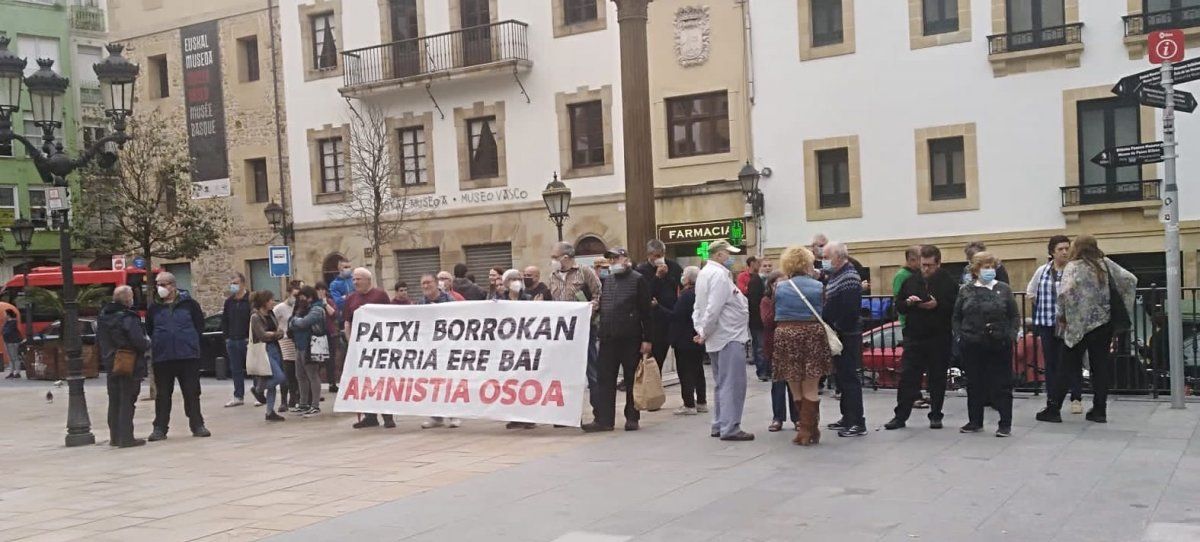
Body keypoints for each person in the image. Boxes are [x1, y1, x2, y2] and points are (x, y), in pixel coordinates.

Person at [1037, 235, 1136, 424]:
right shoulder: (1105, 264)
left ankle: (1053, 408)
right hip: (1103, 323)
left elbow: (1064, 294)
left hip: (1077, 325)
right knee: (1100, 368)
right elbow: (1130, 280)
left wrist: (1062, 317)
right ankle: (1099, 410)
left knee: (1066, 367)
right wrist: (1122, 306)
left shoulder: (1073, 267)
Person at [885, 245, 959, 431]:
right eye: (923, 265)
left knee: (937, 378)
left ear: (938, 263)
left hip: (938, 336)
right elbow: (898, 305)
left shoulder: (948, 281)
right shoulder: (911, 280)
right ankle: (900, 416)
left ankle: (936, 415)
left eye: (930, 265)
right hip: (915, 336)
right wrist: (909, 303)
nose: (926, 269)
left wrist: (937, 305)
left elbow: (955, 308)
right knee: (908, 377)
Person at [582, 247, 652, 433]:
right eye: (610, 259)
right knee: (605, 379)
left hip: (630, 338)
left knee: (631, 379)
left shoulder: (638, 280)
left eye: (616, 258)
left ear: (626, 259)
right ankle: (604, 420)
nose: (613, 262)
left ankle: (632, 417)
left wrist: (647, 339)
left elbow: (646, 311)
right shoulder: (608, 280)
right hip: (608, 338)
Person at [693, 240, 754, 442]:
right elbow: (713, 308)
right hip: (728, 335)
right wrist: (704, 331)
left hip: (719, 335)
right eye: (729, 254)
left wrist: (702, 330)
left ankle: (720, 423)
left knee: (722, 383)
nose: (732, 259)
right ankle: (730, 426)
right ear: (719, 255)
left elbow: (699, 308)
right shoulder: (718, 275)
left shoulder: (705, 274)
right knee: (733, 383)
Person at [954, 252, 1020, 437]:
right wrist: (961, 336)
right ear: (975, 270)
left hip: (999, 343)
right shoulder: (965, 290)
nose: (989, 270)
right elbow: (957, 316)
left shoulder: (1003, 289)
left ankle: (1005, 423)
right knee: (975, 383)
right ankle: (975, 421)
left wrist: (1011, 334)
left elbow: (1014, 315)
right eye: (985, 267)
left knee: (1002, 384)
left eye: (992, 266)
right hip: (973, 343)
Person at [772, 245, 830, 445]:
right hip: (812, 334)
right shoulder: (818, 286)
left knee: (794, 385)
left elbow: (774, 311)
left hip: (786, 335)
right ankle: (809, 430)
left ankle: (806, 431)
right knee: (811, 387)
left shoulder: (779, 287)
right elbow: (824, 309)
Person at [146, 272, 210, 441]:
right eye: (157, 284)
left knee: (191, 392)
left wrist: (189, 342)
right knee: (163, 394)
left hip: (187, 356)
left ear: (173, 286)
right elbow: (150, 329)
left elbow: (199, 326)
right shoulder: (154, 307)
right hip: (163, 357)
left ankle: (197, 424)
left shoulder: (189, 305)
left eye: (163, 284)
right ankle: (159, 428)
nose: (160, 288)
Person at [1026, 235, 1081, 413]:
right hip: (1047, 323)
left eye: (1067, 248)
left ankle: (1076, 397)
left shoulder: (1075, 270)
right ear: (1052, 252)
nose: (1065, 252)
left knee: (1071, 361)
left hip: (1069, 324)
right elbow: (1031, 292)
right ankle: (1052, 399)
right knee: (1051, 362)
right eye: (1060, 249)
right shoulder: (1042, 270)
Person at [344, 268, 399, 429]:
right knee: (365, 382)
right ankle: (370, 416)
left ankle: (388, 416)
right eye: (353, 279)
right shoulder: (351, 298)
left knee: (381, 381)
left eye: (358, 279)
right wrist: (351, 343)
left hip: (379, 347)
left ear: (368, 280)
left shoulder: (380, 295)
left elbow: (390, 318)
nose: (355, 282)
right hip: (360, 348)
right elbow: (347, 322)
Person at [822, 242, 867, 438]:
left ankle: (857, 421)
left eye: (826, 257)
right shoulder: (836, 274)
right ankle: (846, 416)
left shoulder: (849, 276)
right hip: (840, 330)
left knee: (849, 378)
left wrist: (837, 325)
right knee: (842, 378)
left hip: (846, 333)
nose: (824, 261)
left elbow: (849, 308)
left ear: (838, 257)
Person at [99, 286, 151, 447]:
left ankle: (115, 437)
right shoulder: (128, 317)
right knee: (127, 400)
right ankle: (127, 437)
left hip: (110, 362)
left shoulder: (103, 316)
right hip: (128, 361)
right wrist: (147, 343)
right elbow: (137, 340)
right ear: (128, 299)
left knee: (114, 400)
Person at [548, 242, 603, 390]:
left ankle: (599, 406)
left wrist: (592, 307)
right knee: (566, 369)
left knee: (592, 368)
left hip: (585, 329)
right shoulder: (553, 276)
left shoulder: (585, 272)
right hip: (563, 330)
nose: (552, 261)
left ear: (565, 257)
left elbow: (598, 293)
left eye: (555, 257)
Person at [416, 272, 462, 429]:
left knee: (449, 382)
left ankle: (454, 415)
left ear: (436, 284)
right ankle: (436, 417)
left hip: (448, 348)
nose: (426, 286)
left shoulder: (450, 301)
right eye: (423, 283)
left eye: (428, 282)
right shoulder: (421, 304)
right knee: (433, 383)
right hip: (430, 349)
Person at [660, 265, 707, 416]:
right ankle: (701, 402)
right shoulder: (700, 293)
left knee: (685, 371)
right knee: (698, 370)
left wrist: (658, 308)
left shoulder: (686, 295)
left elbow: (675, 315)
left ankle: (688, 404)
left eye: (683, 275)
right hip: (697, 336)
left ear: (687, 279)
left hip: (684, 339)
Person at [636, 239, 684, 375]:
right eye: (655, 256)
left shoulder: (674, 267)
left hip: (671, 316)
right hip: (654, 321)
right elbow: (645, 295)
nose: (658, 259)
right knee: (654, 361)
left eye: (661, 255)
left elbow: (679, 287)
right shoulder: (642, 270)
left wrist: (667, 276)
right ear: (649, 255)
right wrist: (657, 277)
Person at [761, 271, 798, 432]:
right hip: (775, 345)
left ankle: (797, 417)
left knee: (794, 383)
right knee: (778, 383)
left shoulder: (793, 299)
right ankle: (778, 418)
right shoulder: (766, 300)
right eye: (778, 284)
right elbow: (768, 321)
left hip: (791, 344)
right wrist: (777, 299)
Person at [289, 286, 327, 417]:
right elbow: (292, 322)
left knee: (312, 375)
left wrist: (295, 321)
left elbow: (304, 323)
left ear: (309, 297)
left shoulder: (316, 309)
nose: (300, 301)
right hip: (300, 345)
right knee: (300, 375)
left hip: (311, 345)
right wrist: (295, 321)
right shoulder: (303, 309)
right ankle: (303, 403)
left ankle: (315, 405)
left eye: (302, 298)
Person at [250, 290, 288, 422]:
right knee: (280, 377)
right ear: (265, 302)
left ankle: (269, 411)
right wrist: (275, 334)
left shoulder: (271, 314)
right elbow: (262, 335)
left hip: (275, 348)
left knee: (273, 381)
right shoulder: (255, 317)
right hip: (264, 350)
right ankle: (258, 389)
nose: (273, 302)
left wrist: (276, 334)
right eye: (271, 300)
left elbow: (278, 331)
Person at [221, 272, 252, 407]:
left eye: (236, 283)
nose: (233, 286)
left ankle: (259, 393)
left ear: (243, 283)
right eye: (232, 283)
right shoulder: (229, 302)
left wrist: (249, 337)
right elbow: (225, 320)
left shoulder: (250, 299)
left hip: (247, 340)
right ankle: (238, 396)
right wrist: (226, 337)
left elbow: (253, 319)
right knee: (236, 369)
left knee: (253, 367)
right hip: (232, 340)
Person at [273, 281, 301, 411]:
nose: (296, 298)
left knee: (298, 371)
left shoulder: (300, 307)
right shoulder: (280, 308)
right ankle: (284, 399)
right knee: (287, 370)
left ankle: (295, 397)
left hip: (296, 340)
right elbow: (273, 322)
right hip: (284, 340)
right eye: (294, 295)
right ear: (289, 293)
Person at [315, 282, 343, 394]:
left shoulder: (330, 302)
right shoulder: (314, 303)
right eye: (319, 290)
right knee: (319, 360)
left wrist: (325, 303)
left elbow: (334, 314)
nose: (321, 292)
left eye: (323, 289)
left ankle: (332, 383)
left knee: (331, 360)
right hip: (318, 334)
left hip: (330, 333)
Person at [745, 257, 768, 381]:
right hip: (758, 320)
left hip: (769, 320)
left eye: (770, 266)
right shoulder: (755, 281)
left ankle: (768, 369)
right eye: (764, 266)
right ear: (758, 266)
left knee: (766, 345)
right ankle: (762, 371)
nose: (768, 268)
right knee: (759, 346)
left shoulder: (772, 280)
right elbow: (753, 302)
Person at [893, 246, 921, 328]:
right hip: (908, 320)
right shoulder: (901, 275)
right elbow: (898, 297)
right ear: (911, 260)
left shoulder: (920, 273)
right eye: (921, 258)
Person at [3, 309, 21, 379]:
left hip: (13, 342)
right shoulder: (7, 322)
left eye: (5, 314)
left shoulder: (13, 321)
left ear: (8, 314)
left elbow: (8, 331)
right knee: (10, 358)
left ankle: (17, 372)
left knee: (15, 357)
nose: (4, 315)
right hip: (7, 341)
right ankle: (11, 372)